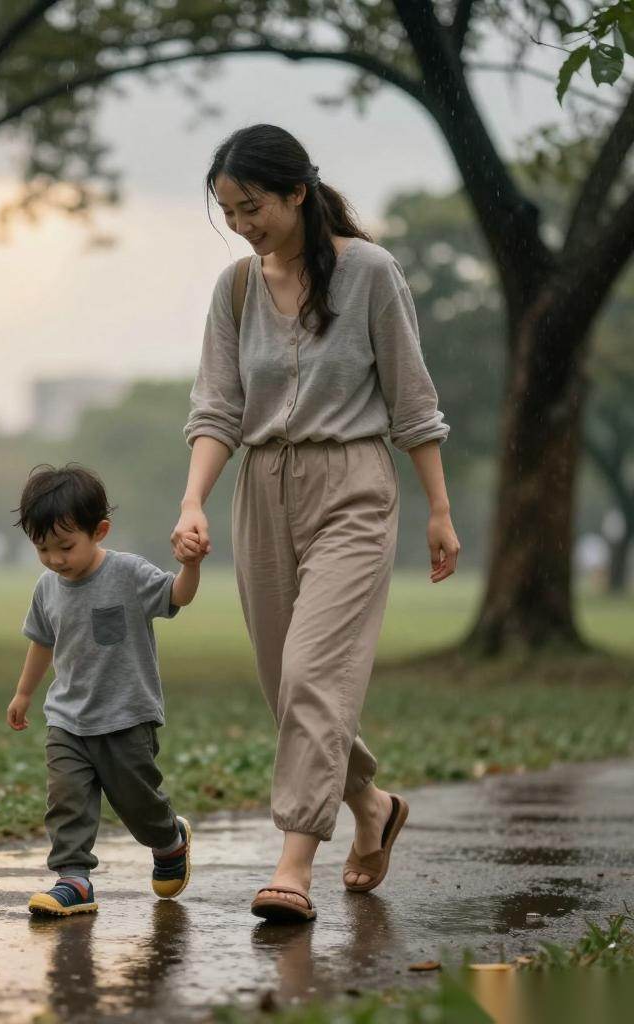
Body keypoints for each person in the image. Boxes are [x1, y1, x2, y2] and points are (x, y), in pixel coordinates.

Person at [172, 124, 461, 924]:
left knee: (312, 676)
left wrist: (438, 509)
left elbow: (412, 399)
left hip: (354, 486)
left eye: (252, 205)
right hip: (261, 490)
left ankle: (295, 859)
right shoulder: (235, 290)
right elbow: (217, 407)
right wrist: (194, 500)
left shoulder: (370, 272)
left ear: (297, 192)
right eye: (228, 211)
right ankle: (372, 806)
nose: (241, 223)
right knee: (285, 682)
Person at [9, 463, 205, 916]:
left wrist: (190, 565)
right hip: (68, 719)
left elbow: (179, 596)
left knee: (138, 805)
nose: (56, 559)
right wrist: (24, 694)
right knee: (66, 800)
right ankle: (73, 879)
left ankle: (169, 840)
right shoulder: (47, 587)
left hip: (126, 716)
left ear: (100, 531)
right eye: (42, 549)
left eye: (65, 547)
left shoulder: (128, 573)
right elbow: (41, 642)